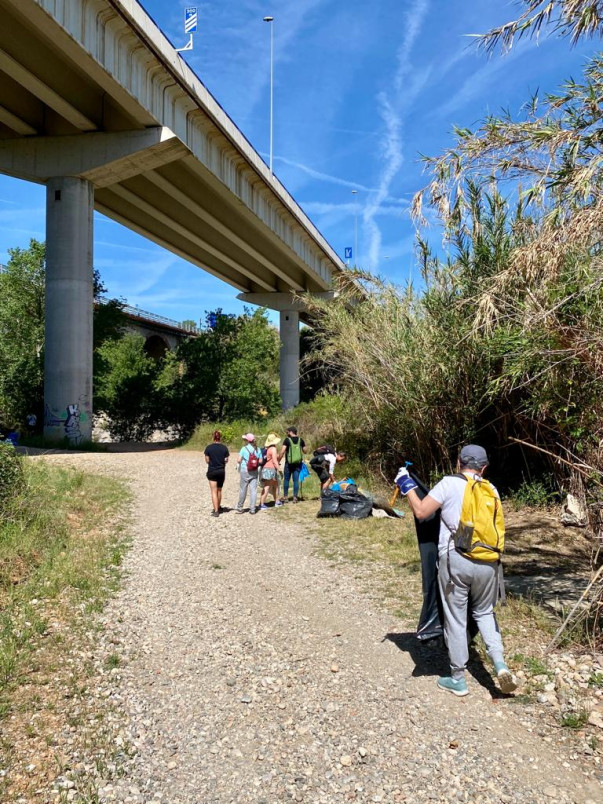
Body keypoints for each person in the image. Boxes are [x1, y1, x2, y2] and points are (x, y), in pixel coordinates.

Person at [395, 444, 517, 697]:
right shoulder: (491, 489)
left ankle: (458, 678)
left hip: (456, 560)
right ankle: (500, 665)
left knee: (456, 618)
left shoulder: (449, 483)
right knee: (485, 612)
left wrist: (406, 485)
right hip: (489, 562)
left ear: (458, 461)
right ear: (484, 467)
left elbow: (421, 512)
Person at [204, 430, 230, 517]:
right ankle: (218, 506)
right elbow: (226, 460)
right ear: (220, 437)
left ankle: (216, 511)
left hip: (212, 471)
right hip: (221, 471)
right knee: (219, 490)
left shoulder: (208, 448)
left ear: (213, 438)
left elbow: (207, 460)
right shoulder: (224, 448)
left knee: (213, 491)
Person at [278, 426, 306, 502]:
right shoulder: (301, 440)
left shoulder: (287, 440)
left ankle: (286, 497)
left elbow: (282, 451)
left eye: (287, 432)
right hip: (297, 463)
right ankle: (295, 497)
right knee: (296, 480)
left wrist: (278, 460)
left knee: (286, 479)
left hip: (288, 463)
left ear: (291, 432)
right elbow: (305, 451)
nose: (287, 433)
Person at [236, 433, 262, 514]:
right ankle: (252, 509)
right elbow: (260, 461)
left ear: (247, 440)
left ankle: (240, 507)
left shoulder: (244, 449)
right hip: (254, 471)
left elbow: (239, 460)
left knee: (243, 489)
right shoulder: (258, 449)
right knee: (253, 490)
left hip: (245, 470)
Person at [259, 432, 283, 510]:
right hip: (270, 469)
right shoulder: (273, 449)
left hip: (267, 468)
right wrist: (280, 470)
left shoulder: (268, 449)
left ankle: (277, 501)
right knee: (267, 486)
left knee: (275, 485)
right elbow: (275, 461)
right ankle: (262, 504)